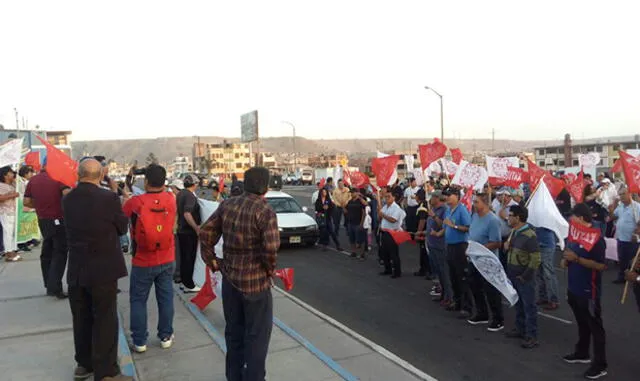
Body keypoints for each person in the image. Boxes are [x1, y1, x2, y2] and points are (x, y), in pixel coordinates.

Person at [199, 167, 280, 381]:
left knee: (234, 335)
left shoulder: (228, 204)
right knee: (257, 338)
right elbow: (270, 249)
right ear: (265, 186)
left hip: (231, 281)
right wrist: (269, 270)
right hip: (256, 286)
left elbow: (206, 233)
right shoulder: (265, 211)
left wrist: (213, 261)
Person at [63, 158, 131, 381]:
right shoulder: (108, 197)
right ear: (101, 175)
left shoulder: (67, 199)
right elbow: (122, 227)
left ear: (78, 174)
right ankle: (107, 372)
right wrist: (116, 194)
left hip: (77, 266)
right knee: (105, 319)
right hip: (103, 267)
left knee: (81, 317)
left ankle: (84, 364)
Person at [122, 164, 177, 353]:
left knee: (138, 300)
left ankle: (139, 341)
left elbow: (121, 220)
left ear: (145, 181)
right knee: (166, 298)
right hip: (167, 257)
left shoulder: (136, 202)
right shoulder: (171, 199)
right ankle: (166, 336)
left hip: (142, 260)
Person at [561, 203, 608, 380]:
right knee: (582, 323)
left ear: (581, 218)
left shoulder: (597, 239)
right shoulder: (574, 236)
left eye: (573, 218)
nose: (570, 222)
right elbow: (568, 255)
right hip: (574, 287)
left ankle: (600, 364)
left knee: (595, 327)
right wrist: (566, 260)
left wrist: (577, 259)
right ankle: (582, 353)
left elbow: (601, 265)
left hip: (590, 291)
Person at [24, 161, 70, 298]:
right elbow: (67, 195)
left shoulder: (33, 180)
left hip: (43, 220)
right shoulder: (58, 178)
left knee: (47, 252)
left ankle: (48, 285)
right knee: (60, 252)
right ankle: (55, 287)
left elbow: (26, 202)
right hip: (58, 218)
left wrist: (39, 206)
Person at [504, 204, 540, 349]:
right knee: (518, 304)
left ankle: (532, 335)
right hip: (513, 273)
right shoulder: (514, 231)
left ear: (518, 218)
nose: (508, 217)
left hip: (523, 276)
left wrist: (525, 276)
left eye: (511, 215)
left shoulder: (529, 235)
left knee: (529, 306)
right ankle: (520, 329)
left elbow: (536, 259)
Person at [467, 193, 504, 332]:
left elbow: (497, 242)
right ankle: (482, 313)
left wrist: (479, 249)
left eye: (476, 202)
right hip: (473, 259)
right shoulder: (475, 216)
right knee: (475, 286)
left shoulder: (493, 220)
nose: (474, 205)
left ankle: (498, 318)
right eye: (473, 202)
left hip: (487, 261)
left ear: (485, 203)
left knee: (491, 290)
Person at [442, 186, 472, 315]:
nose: (447, 198)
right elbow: (444, 226)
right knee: (453, 276)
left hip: (460, 246)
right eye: (446, 196)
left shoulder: (462, 210)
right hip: (450, 245)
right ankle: (457, 302)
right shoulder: (448, 210)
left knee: (462, 277)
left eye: (450, 195)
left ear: (456, 196)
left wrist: (453, 225)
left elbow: (467, 227)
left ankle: (467, 306)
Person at [425, 190, 451, 306]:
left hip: (440, 245)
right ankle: (442, 294)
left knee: (444, 272)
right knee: (438, 272)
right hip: (432, 243)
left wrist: (434, 216)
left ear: (438, 198)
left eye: (433, 197)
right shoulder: (433, 209)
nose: (431, 199)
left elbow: (443, 225)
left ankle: (449, 297)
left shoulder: (444, 210)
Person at [176, 174, 201, 293]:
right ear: (194, 184)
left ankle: (183, 282)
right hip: (188, 232)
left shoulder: (180, 194)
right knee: (189, 259)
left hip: (181, 230)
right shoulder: (190, 196)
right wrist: (196, 228)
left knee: (184, 258)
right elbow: (187, 213)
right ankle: (189, 285)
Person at [610, 186, 640, 284]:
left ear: (629, 194)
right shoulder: (620, 206)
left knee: (633, 262)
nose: (621, 196)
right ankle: (622, 277)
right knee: (622, 259)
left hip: (632, 240)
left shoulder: (637, 207)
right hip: (621, 238)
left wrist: (636, 233)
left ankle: (634, 280)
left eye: (623, 194)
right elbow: (613, 217)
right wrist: (613, 206)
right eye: (620, 194)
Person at [378, 191, 406, 278]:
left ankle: (397, 272)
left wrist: (383, 215)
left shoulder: (396, 208)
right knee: (385, 252)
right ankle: (388, 269)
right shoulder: (385, 207)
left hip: (393, 233)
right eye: (385, 197)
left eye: (388, 197)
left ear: (393, 198)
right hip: (384, 232)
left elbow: (393, 220)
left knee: (393, 253)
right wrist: (379, 213)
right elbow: (380, 216)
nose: (386, 199)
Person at [0, 166, 21, 262]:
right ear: (5, 175)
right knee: (7, 233)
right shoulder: (1, 185)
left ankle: (12, 250)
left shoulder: (13, 184)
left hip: (13, 211)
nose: (13, 174)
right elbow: (1, 198)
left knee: (12, 233)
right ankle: (8, 252)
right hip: (6, 212)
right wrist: (13, 195)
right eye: (10, 173)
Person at [413, 188, 432, 278]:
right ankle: (424, 269)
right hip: (425, 232)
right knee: (423, 251)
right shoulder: (425, 204)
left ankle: (426, 270)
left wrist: (418, 232)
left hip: (424, 233)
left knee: (424, 251)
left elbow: (422, 220)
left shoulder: (422, 206)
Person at [345, 188, 366, 258]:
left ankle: (362, 254)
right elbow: (346, 210)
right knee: (352, 239)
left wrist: (362, 223)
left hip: (358, 223)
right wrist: (343, 207)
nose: (351, 194)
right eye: (351, 192)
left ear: (357, 193)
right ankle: (353, 252)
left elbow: (364, 212)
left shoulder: (360, 201)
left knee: (360, 240)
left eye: (353, 192)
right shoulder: (350, 201)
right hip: (350, 223)